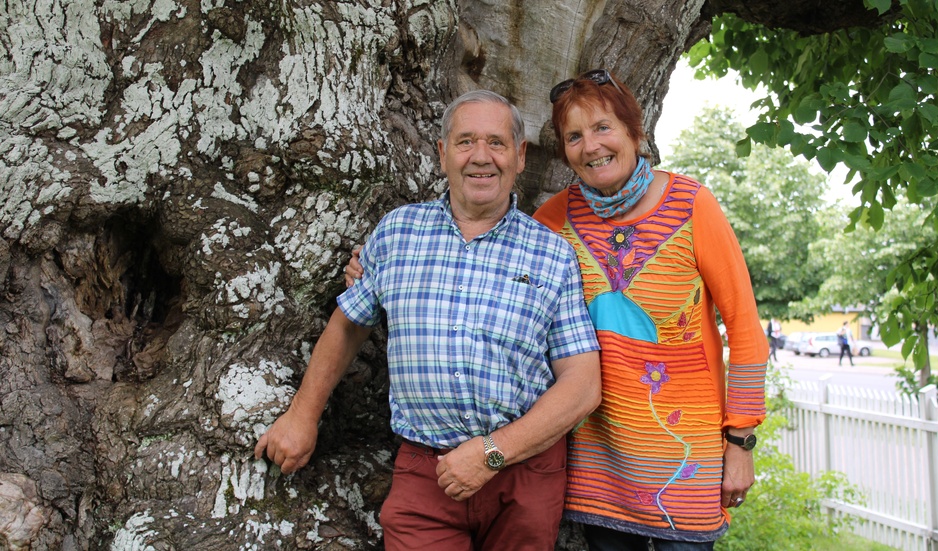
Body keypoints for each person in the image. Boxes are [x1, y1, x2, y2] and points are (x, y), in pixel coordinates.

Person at [349, 70, 769, 549]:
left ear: (636, 131)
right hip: (599, 457)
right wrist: (370, 270)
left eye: (603, 128)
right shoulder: (555, 220)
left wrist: (740, 442)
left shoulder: (693, 205)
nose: (591, 146)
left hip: (684, 455)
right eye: (574, 136)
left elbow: (745, 330)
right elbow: (485, 256)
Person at [257, 90, 602, 550]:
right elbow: (348, 325)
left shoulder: (553, 253)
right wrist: (303, 416)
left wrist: (493, 452)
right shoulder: (398, 232)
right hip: (426, 471)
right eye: (465, 142)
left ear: (520, 157)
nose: (482, 157)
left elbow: (582, 385)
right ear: (442, 154)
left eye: (497, 143)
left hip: (525, 473)